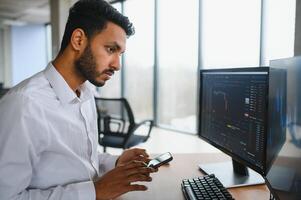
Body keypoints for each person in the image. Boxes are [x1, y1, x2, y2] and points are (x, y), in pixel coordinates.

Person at [0, 0, 157, 199]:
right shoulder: (24, 105)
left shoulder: (86, 93)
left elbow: (79, 162)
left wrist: (115, 162)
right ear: (78, 40)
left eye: (120, 54)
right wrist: (96, 191)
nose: (117, 65)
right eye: (111, 49)